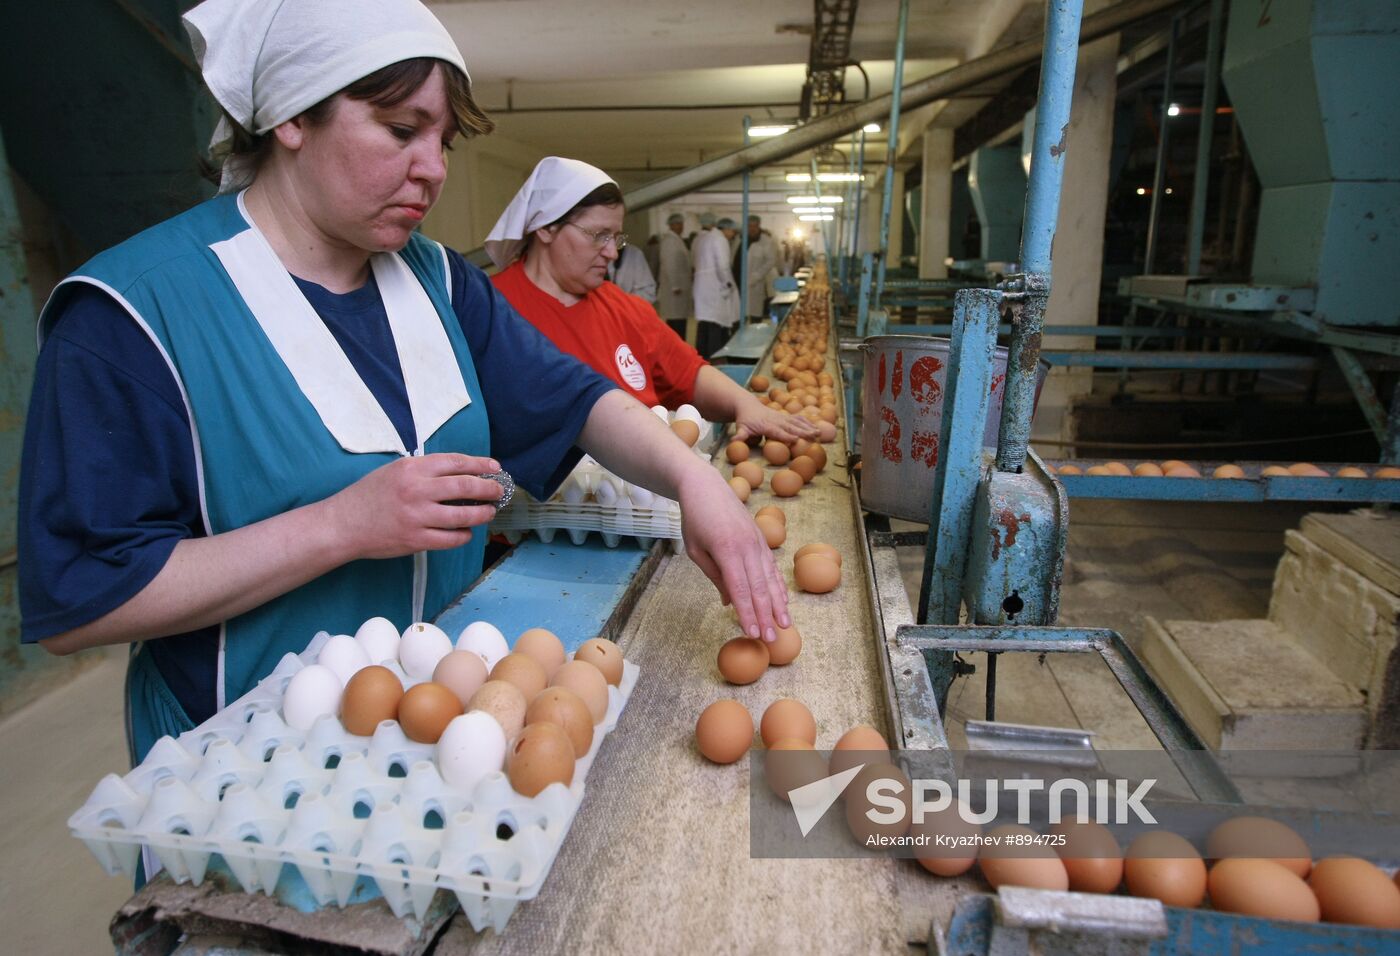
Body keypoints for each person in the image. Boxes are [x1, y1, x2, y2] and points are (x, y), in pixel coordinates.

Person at [18, 0, 789, 765]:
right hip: (246, 757)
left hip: (432, 744)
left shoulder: (436, 280)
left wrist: (696, 481)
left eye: (444, 141)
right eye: (400, 131)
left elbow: (574, 397)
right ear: (291, 118)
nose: (433, 170)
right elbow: (83, 597)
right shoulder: (134, 314)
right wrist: (339, 526)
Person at [485, 158, 816, 444]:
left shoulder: (623, 307)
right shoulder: (490, 312)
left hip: (645, 502)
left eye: (616, 237)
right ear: (546, 228)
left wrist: (746, 405)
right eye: (599, 235)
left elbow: (688, 373)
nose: (612, 252)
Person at [692, 213, 739, 359]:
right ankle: (715, 360)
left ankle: (702, 358)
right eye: (732, 231)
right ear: (726, 229)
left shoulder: (702, 238)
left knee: (704, 324)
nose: (733, 235)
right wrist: (728, 284)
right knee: (715, 325)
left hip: (702, 287)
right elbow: (723, 266)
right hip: (714, 288)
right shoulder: (719, 239)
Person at [656, 212, 692, 340]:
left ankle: (679, 350)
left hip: (679, 289)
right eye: (677, 224)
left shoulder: (677, 240)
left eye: (681, 223)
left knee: (679, 322)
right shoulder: (670, 242)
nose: (680, 226)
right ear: (671, 225)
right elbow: (670, 265)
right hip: (675, 290)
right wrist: (675, 286)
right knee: (676, 324)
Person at [742, 216, 780, 321]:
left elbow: (771, 261)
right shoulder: (740, 239)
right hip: (739, 282)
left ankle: (755, 335)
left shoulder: (766, 242)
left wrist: (757, 276)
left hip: (756, 283)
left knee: (755, 316)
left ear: (759, 226)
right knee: (739, 316)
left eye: (755, 226)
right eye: (749, 226)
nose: (752, 228)